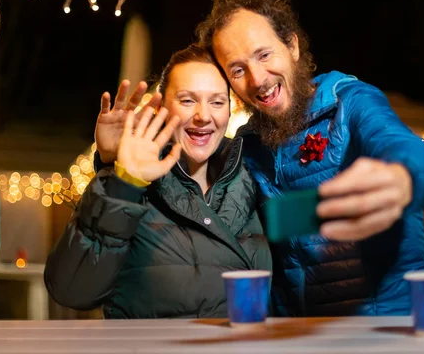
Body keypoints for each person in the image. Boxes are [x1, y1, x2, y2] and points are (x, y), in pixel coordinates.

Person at [194, 0, 424, 316]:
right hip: (299, 336)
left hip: (384, 330)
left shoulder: (350, 103)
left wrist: (403, 177)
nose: (257, 79)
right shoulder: (247, 145)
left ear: (292, 47)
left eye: (264, 54)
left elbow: (418, 156)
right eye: (238, 69)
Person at [44, 44, 272, 318]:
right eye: (187, 100)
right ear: (162, 105)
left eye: (217, 101)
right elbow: (72, 290)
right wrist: (121, 179)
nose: (203, 116)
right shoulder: (134, 187)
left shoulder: (256, 176)